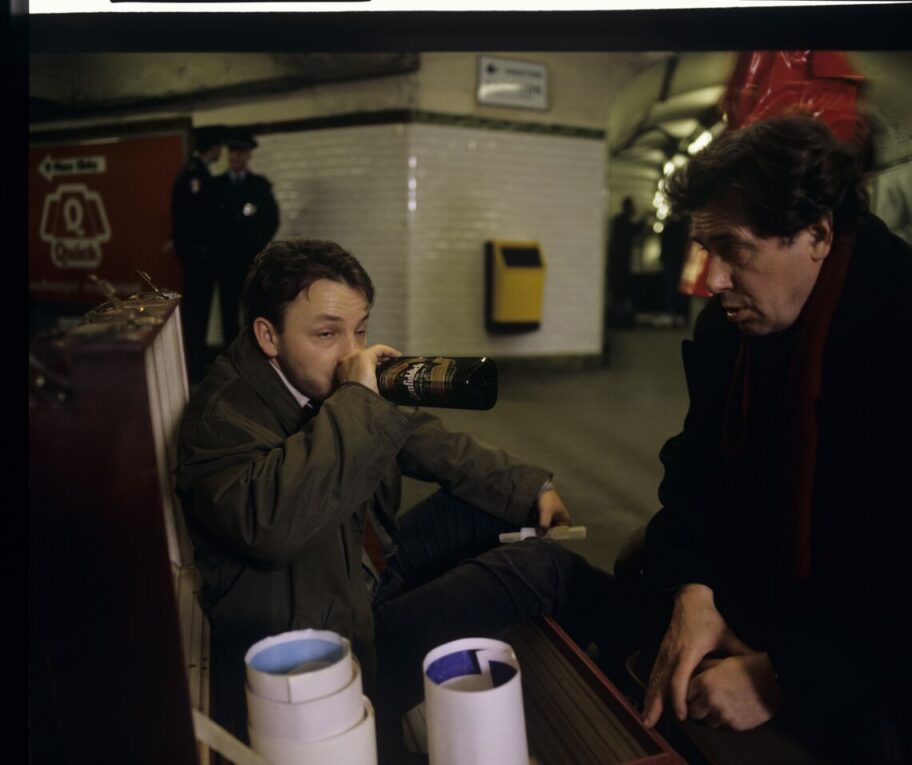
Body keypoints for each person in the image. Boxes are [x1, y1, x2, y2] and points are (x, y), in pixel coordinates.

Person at [624, 116, 912, 763]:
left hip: (898, 636)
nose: (714, 279)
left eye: (734, 248)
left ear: (818, 233)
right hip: (782, 584)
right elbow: (696, 465)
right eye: (704, 248)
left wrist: (787, 675)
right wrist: (693, 587)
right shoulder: (729, 326)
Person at [174, 239, 614, 752]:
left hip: (366, 572)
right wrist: (359, 399)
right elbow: (272, 523)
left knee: (485, 504)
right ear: (267, 336)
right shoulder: (221, 420)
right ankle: (645, 651)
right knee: (543, 566)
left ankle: (614, 652)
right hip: (343, 645)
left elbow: (421, 438)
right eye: (326, 333)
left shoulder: (314, 379)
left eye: (359, 331)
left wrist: (530, 486)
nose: (349, 352)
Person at [209, 129, 279, 345]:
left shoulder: (259, 185)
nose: (235, 157)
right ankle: (232, 358)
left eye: (240, 152)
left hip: (251, 259)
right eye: (232, 152)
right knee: (228, 310)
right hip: (225, 259)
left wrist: (257, 247)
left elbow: (271, 220)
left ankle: (254, 357)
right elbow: (208, 222)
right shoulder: (216, 186)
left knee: (252, 309)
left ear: (249, 155)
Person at [170, 124, 227, 383]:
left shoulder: (199, 172)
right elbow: (189, 219)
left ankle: (196, 362)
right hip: (199, 258)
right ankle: (193, 366)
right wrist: (194, 253)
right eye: (219, 148)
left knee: (199, 312)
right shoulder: (194, 175)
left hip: (202, 257)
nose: (221, 153)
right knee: (196, 312)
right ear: (212, 148)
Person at [607, 196, 644, 328]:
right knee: (620, 293)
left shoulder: (619, 221)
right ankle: (619, 320)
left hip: (617, 264)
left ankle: (619, 319)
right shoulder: (623, 222)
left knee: (618, 293)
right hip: (620, 266)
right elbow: (634, 230)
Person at [658, 211, 691, 328]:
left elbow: (664, 244)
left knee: (673, 288)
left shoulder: (672, 226)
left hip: (674, 261)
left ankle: (674, 314)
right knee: (676, 289)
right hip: (677, 260)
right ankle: (678, 314)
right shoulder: (684, 226)